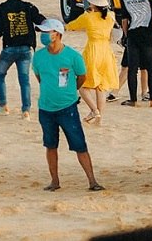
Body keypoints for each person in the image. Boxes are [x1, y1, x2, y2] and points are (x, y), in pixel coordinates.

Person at [32, 19, 103, 192]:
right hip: (46, 108)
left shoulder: (73, 56)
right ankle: (54, 181)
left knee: (79, 144)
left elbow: (82, 77)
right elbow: (40, 77)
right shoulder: (39, 56)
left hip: (67, 108)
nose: (44, 35)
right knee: (50, 145)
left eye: (47, 32)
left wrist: (70, 92)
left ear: (57, 34)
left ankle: (92, 181)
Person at [0, 0, 44, 114]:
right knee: (24, 79)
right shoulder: (28, 7)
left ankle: (2, 105)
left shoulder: (1, 8)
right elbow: (41, 20)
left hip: (9, 48)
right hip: (26, 48)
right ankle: (26, 109)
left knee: (0, 74)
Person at [68, 0, 119, 124]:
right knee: (101, 87)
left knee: (82, 84)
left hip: (93, 50)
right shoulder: (111, 16)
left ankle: (94, 110)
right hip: (106, 51)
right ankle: (99, 117)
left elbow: (72, 25)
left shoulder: (87, 17)